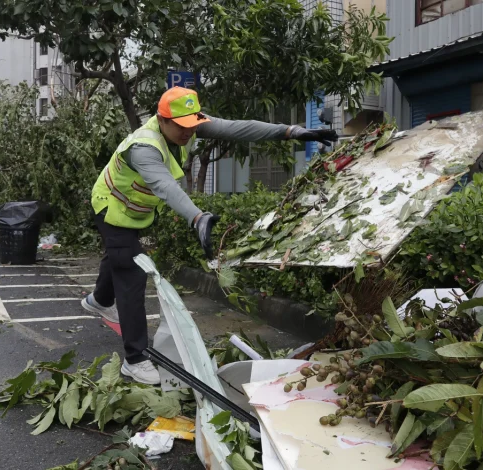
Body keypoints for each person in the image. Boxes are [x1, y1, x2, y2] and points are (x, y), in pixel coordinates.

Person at [80, 86, 338, 384]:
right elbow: (166, 187)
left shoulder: (186, 125)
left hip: (135, 211)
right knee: (132, 271)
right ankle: (136, 359)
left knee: (120, 256)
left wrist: (291, 131)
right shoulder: (144, 147)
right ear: (162, 119)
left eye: (192, 125)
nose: (187, 132)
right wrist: (197, 217)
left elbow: (238, 129)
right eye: (180, 126)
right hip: (111, 205)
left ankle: (99, 300)